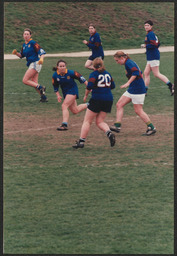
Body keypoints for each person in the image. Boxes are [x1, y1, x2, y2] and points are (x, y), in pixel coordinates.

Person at [110, 51, 156, 136]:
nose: (117, 62)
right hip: (132, 89)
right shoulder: (128, 62)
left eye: (117, 60)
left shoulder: (129, 63)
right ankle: (117, 126)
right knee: (119, 104)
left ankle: (152, 128)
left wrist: (128, 83)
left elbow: (136, 73)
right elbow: (140, 72)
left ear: (122, 58)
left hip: (138, 90)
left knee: (138, 110)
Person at [73, 58, 116, 149]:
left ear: (93, 66)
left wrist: (85, 96)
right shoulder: (107, 73)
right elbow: (113, 86)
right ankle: (109, 133)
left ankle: (81, 142)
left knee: (87, 121)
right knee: (100, 121)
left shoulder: (94, 74)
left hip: (97, 99)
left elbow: (89, 86)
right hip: (108, 99)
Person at [12, 28, 48, 102]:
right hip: (32, 64)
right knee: (34, 82)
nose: (26, 35)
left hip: (35, 63)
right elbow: (22, 56)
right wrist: (16, 53)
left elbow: (42, 52)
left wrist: (41, 59)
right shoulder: (24, 45)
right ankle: (43, 98)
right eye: (25, 34)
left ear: (30, 35)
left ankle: (41, 87)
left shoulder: (33, 43)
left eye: (27, 34)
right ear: (23, 35)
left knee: (25, 80)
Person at [52, 59, 88, 130]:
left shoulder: (71, 73)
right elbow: (55, 86)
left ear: (66, 66)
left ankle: (64, 124)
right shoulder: (55, 75)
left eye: (63, 66)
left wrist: (90, 87)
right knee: (75, 111)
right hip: (66, 93)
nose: (62, 67)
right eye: (60, 66)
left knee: (64, 105)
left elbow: (83, 79)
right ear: (57, 67)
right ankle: (91, 104)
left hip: (72, 91)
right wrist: (58, 95)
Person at [141, 20, 174, 96]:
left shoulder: (150, 34)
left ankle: (171, 85)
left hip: (153, 57)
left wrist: (146, 46)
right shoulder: (150, 34)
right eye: (145, 25)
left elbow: (154, 44)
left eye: (148, 25)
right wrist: (148, 50)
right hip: (151, 56)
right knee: (146, 73)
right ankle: (144, 91)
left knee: (156, 74)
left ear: (151, 26)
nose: (146, 27)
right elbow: (158, 43)